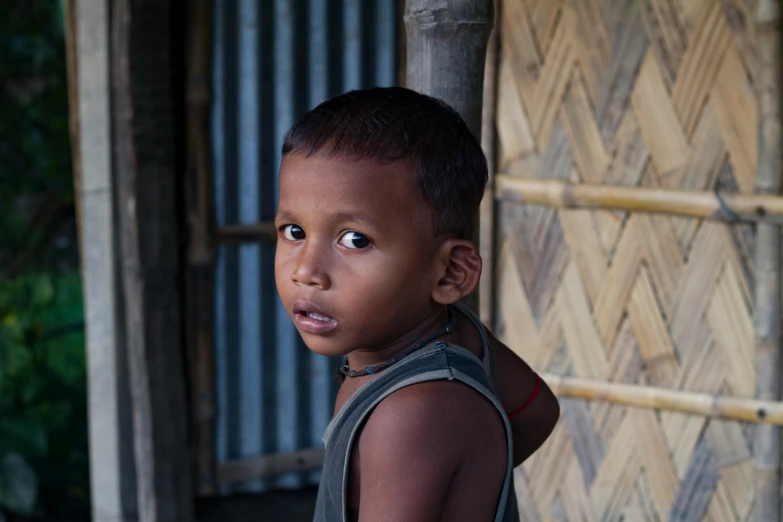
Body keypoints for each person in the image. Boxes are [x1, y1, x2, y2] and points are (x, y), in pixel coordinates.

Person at [274, 87, 560, 522]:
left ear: (449, 274)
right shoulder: (458, 333)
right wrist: (460, 482)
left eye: (355, 240)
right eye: (294, 231)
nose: (306, 271)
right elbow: (537, 410)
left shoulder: (410, 417)